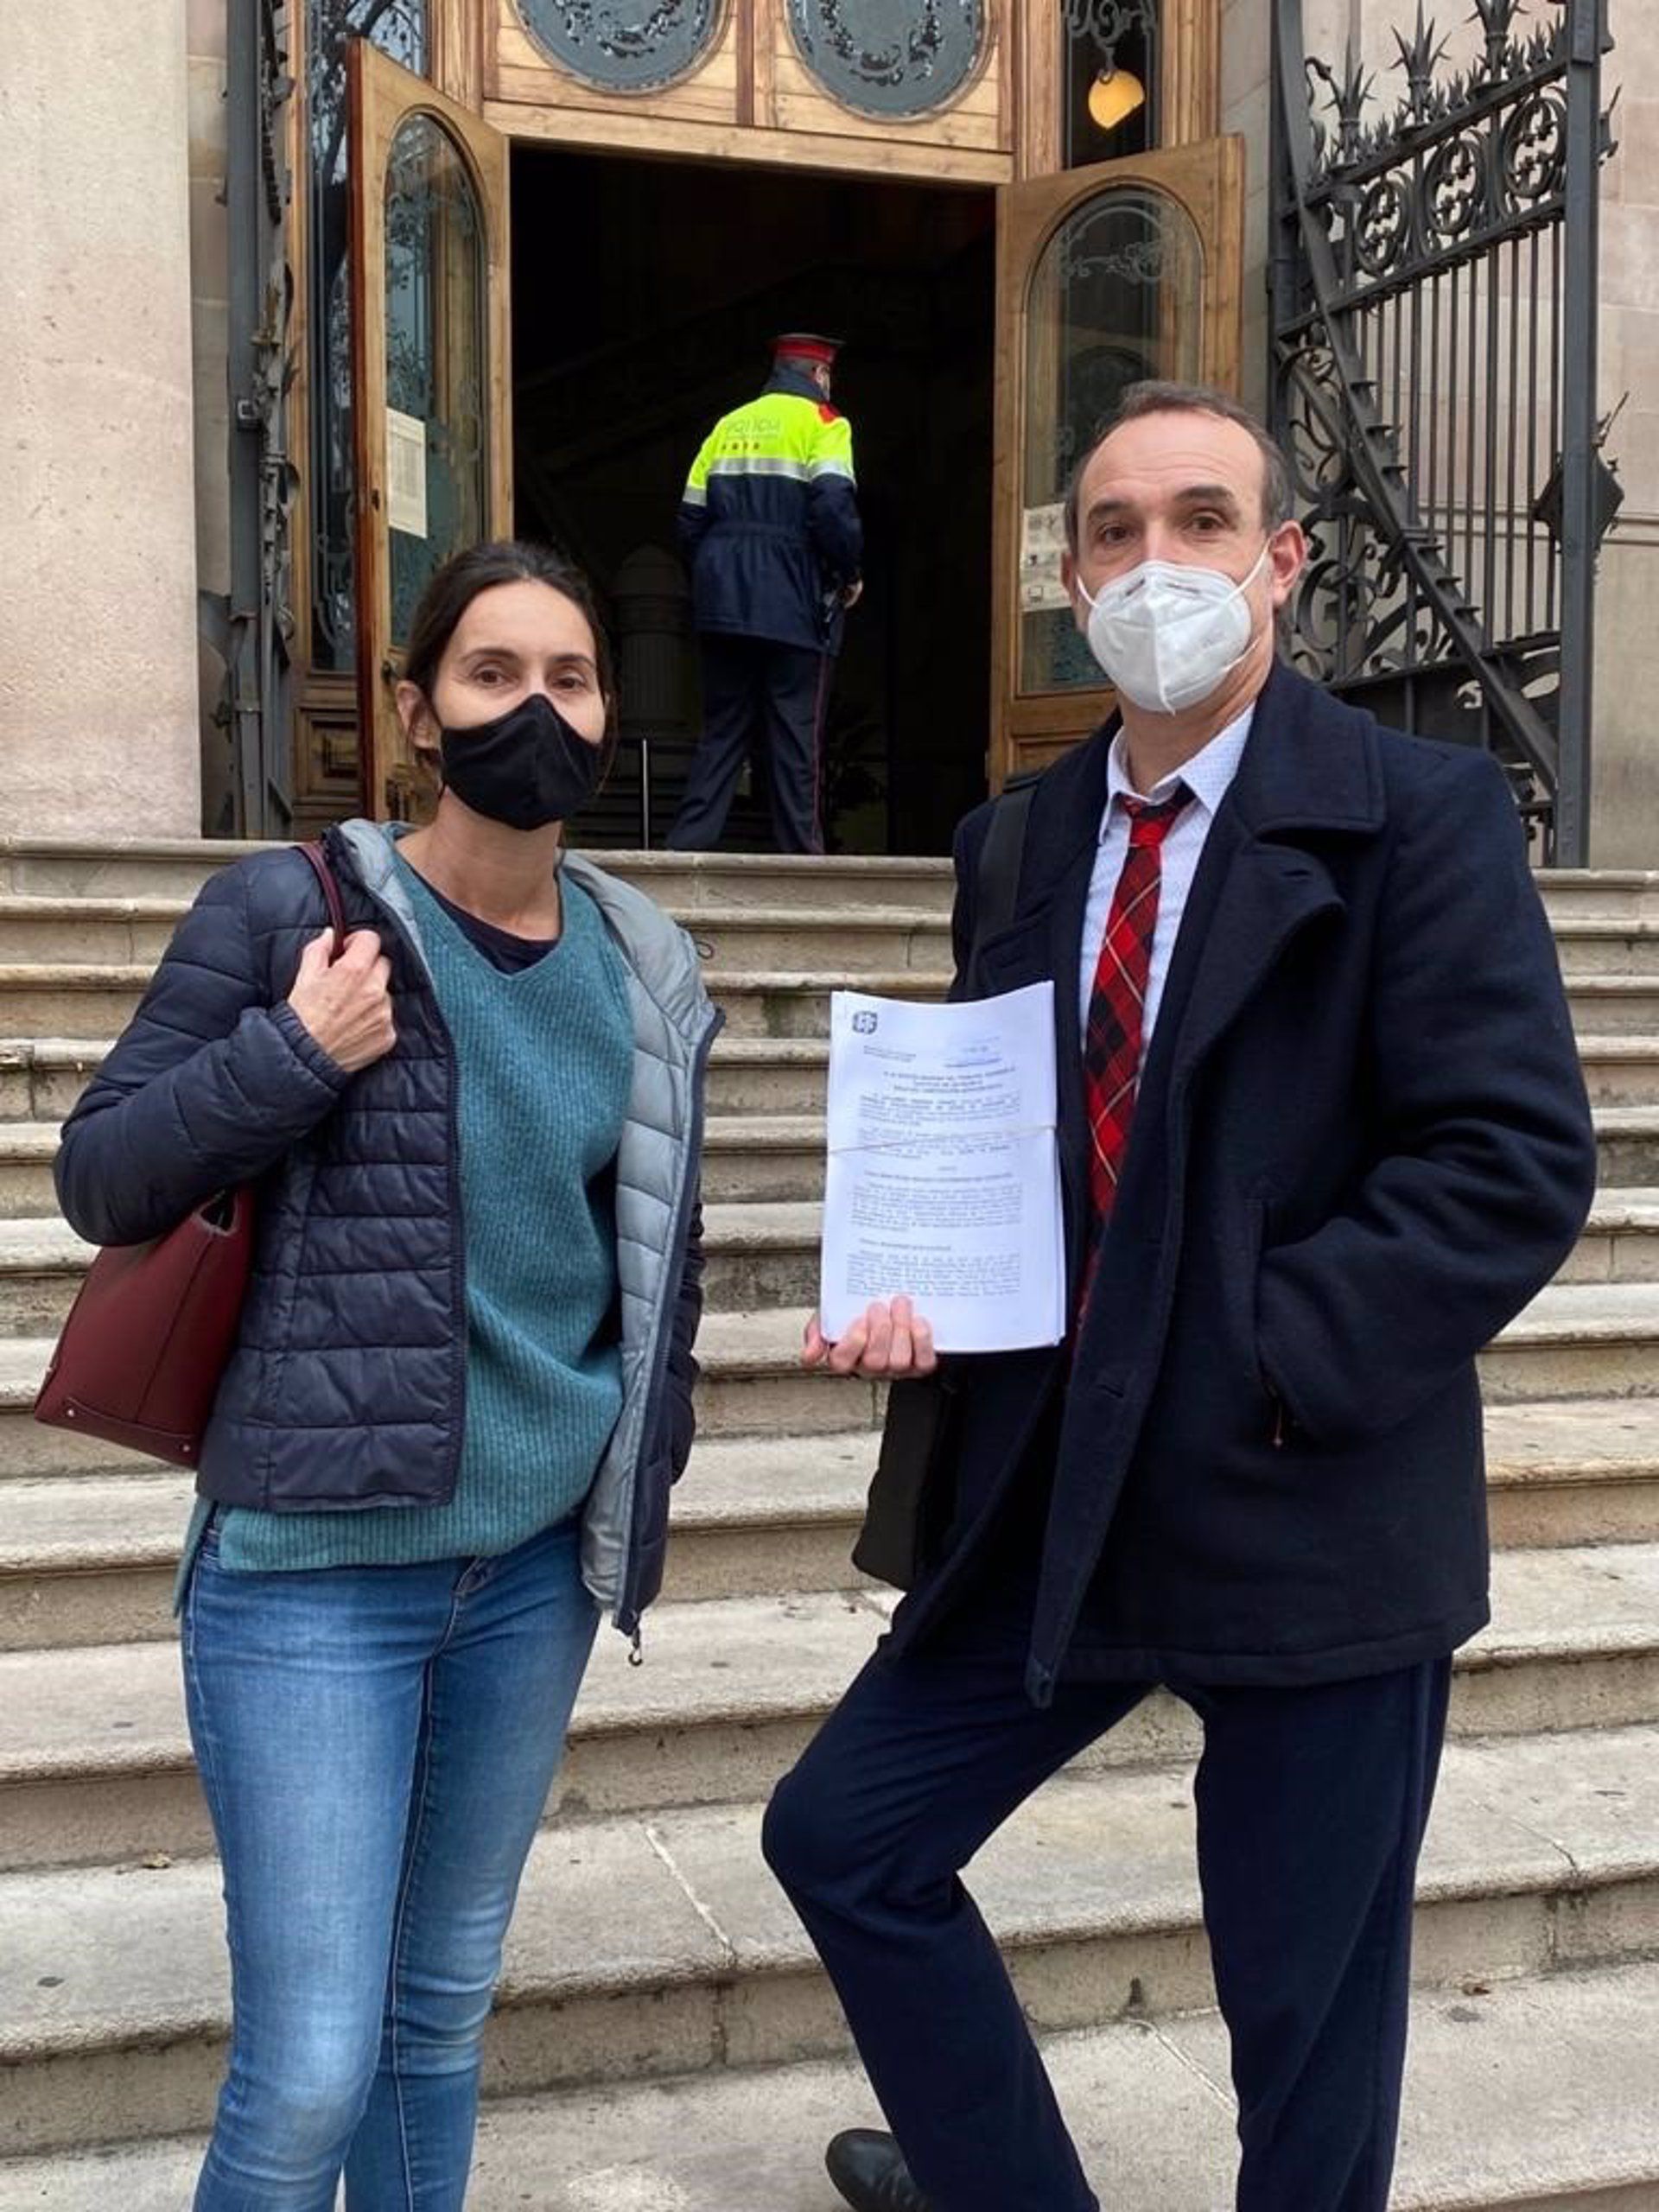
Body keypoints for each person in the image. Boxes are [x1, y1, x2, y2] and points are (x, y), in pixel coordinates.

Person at [761, 385, 1598, 2212]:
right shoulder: (1017, 841)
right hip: (1059, 1486)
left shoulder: (1426, 814)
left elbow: (1511, 1161)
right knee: (845, 1835)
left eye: (1204, 520)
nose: (1161, 563)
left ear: (1281, 562)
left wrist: (1266, 1351)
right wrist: (925, 1285)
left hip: (1301, 1489)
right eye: (1121, 531)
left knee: (1307, 2026)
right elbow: (1009, 1141)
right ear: (1073, 575)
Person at [54, 540, 719, 2212]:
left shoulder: (646, 964)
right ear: (419, 714)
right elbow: (103, 1177)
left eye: (570, 680)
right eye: (494, 677)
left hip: (525, 1578)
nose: (537, 712)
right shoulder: (292, 912)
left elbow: (645, 1262)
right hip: (311, 1577)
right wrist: (293, 1053)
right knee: (307, 2075)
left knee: (435, 2026)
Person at [667, 331, 863, 855]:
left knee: (722, 732)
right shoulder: (825, 423)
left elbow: (688, 519)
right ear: (820, 375)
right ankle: (804, 861)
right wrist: (847, 573)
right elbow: (833, 508)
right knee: (795, 739)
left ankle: (685, 851)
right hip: (794, 603)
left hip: (722, 602)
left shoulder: (728, 424)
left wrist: (717, 573)